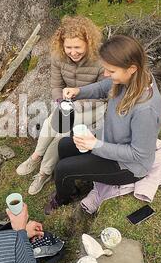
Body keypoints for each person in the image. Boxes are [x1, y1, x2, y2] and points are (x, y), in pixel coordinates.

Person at [44, 34, 161, 214]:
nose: (106, 74)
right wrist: (79, 91)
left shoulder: (145, 110)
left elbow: (138, 154)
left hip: (128, 167)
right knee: (64, 145)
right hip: (110, 140)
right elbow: (104, 86)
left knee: (63, 169)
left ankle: (63, 198)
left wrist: (95, 145)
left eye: (111, 71)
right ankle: (76, 183)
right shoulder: (130, 79)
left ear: (131, 68)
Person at [16, 15, 104, 195]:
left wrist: (76, 105)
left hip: (95, 107)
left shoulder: (100, 60)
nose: (73, 52)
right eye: (68, 47)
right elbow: (56, 86)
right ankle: (39, 161)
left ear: (88, 43)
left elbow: (104, 94)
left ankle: (42, 170)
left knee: (59, 127)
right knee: (59, 128)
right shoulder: (58, 57)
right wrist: (61, 102)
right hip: (68, 103)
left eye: (77, 47)